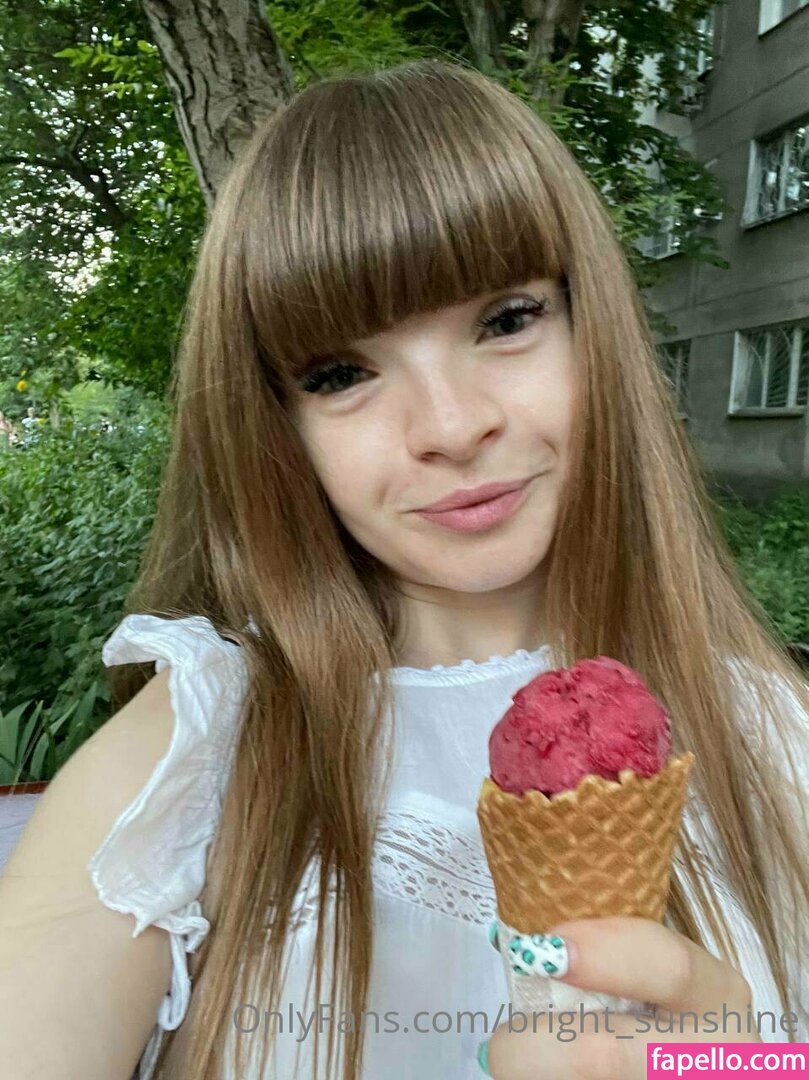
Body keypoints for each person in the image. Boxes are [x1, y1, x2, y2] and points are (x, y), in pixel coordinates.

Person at [0, 58, 807, 1080]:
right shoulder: (189, 761)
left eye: (506, 320)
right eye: (340, 373)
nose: (452, 426)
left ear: (590, 324)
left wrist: (743, 1068)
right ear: (275, 426)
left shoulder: (771, 735)